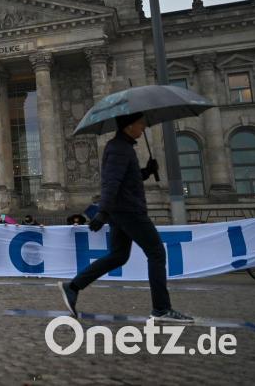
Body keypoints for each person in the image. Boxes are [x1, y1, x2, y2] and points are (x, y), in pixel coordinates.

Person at [59, 112, 193, 323]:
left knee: (119, 256)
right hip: (129, 211)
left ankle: (73, 287)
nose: (143, 128)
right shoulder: (120, 149)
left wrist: (146, 172)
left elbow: (125, 179)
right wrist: (102, 212)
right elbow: (111, 183)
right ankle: (161, 309)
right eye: (141, 123)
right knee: (156, 252)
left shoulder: (122, 147)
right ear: (129, 126)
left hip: (121, 211)